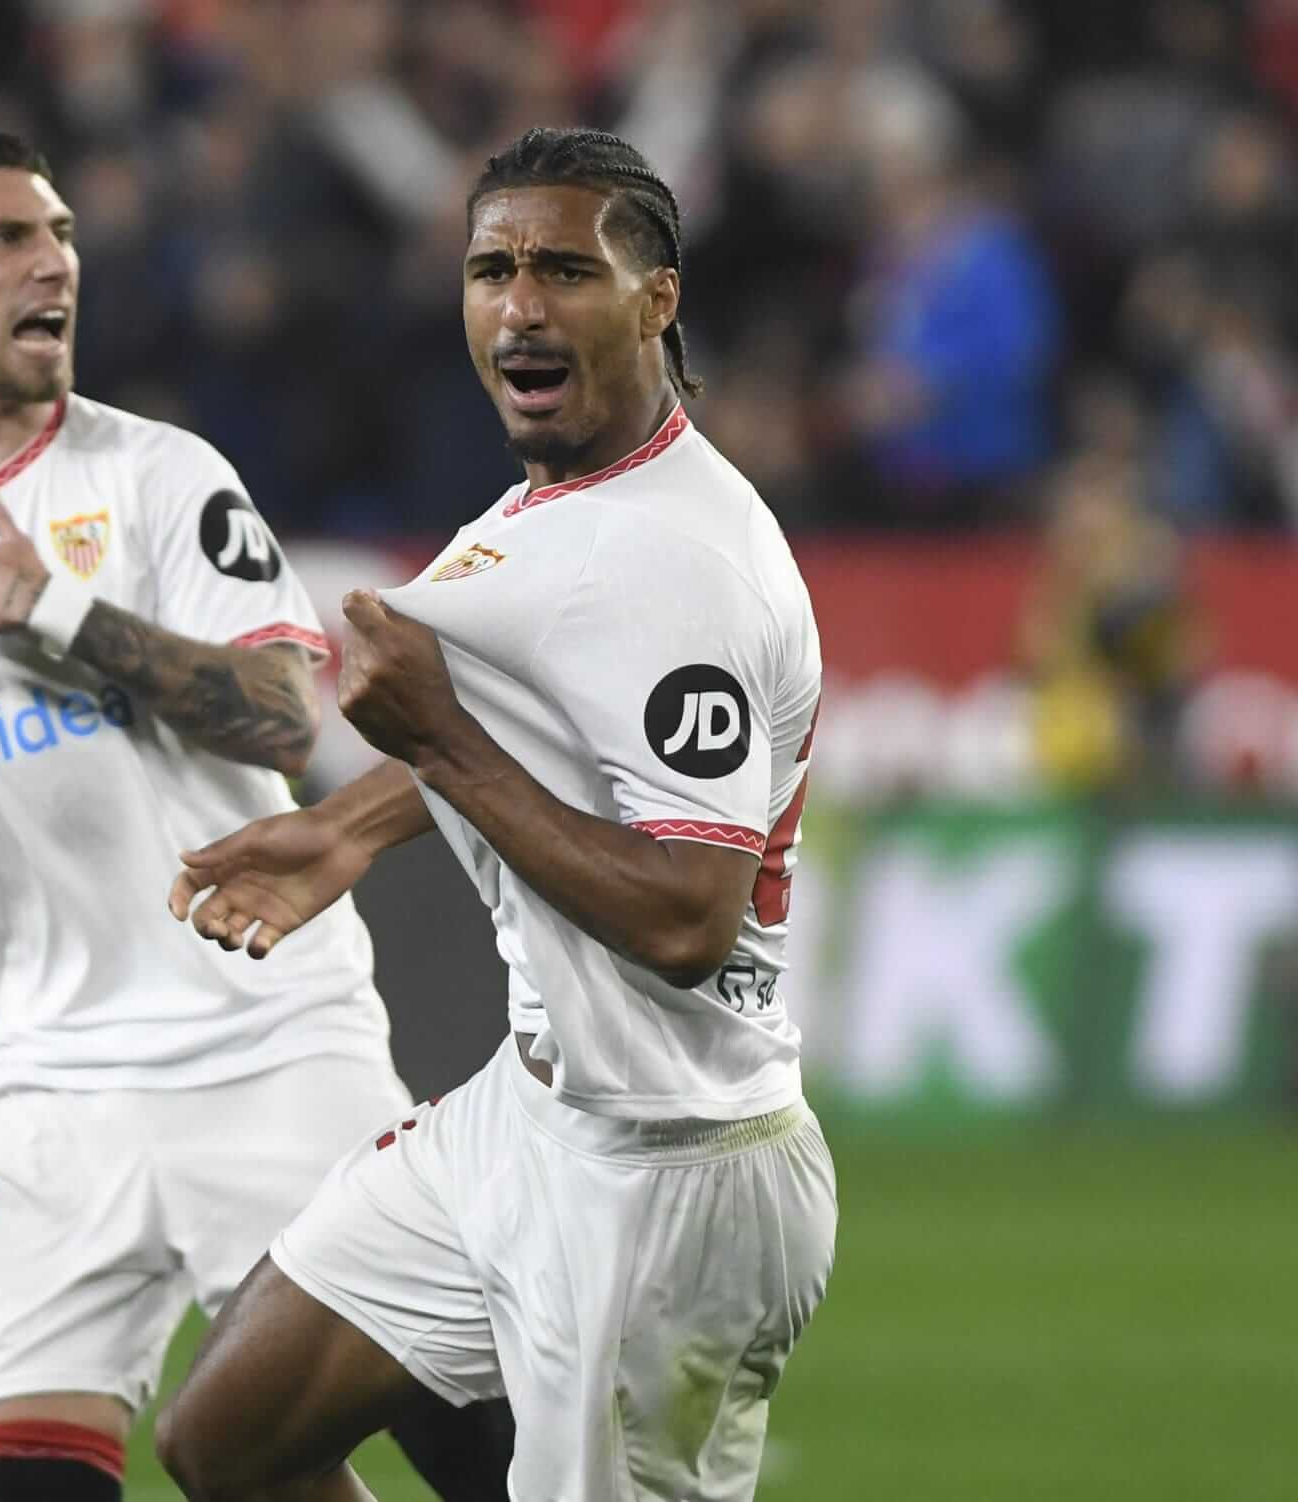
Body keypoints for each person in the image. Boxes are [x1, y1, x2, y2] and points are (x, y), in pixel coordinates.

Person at [0, 125, 512, 1502]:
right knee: (38, 1476)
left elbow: (290, 715)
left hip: (271, 1043)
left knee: (468, 1444)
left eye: (59, 235)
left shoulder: (158, 477)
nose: (54, 260)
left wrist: (60, 615)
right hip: (55, 1078)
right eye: (5, 237)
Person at [158, 126, 838, 1502]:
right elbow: (535, 730)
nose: (520, 304)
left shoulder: (677, 562)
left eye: (565, 271)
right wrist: (345, 831)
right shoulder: (562, 501)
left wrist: (446, 742)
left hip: (673, 1181)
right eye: (492, 268)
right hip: (530, 1119)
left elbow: (687, 915)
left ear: (657, 302)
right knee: (226, 1437)